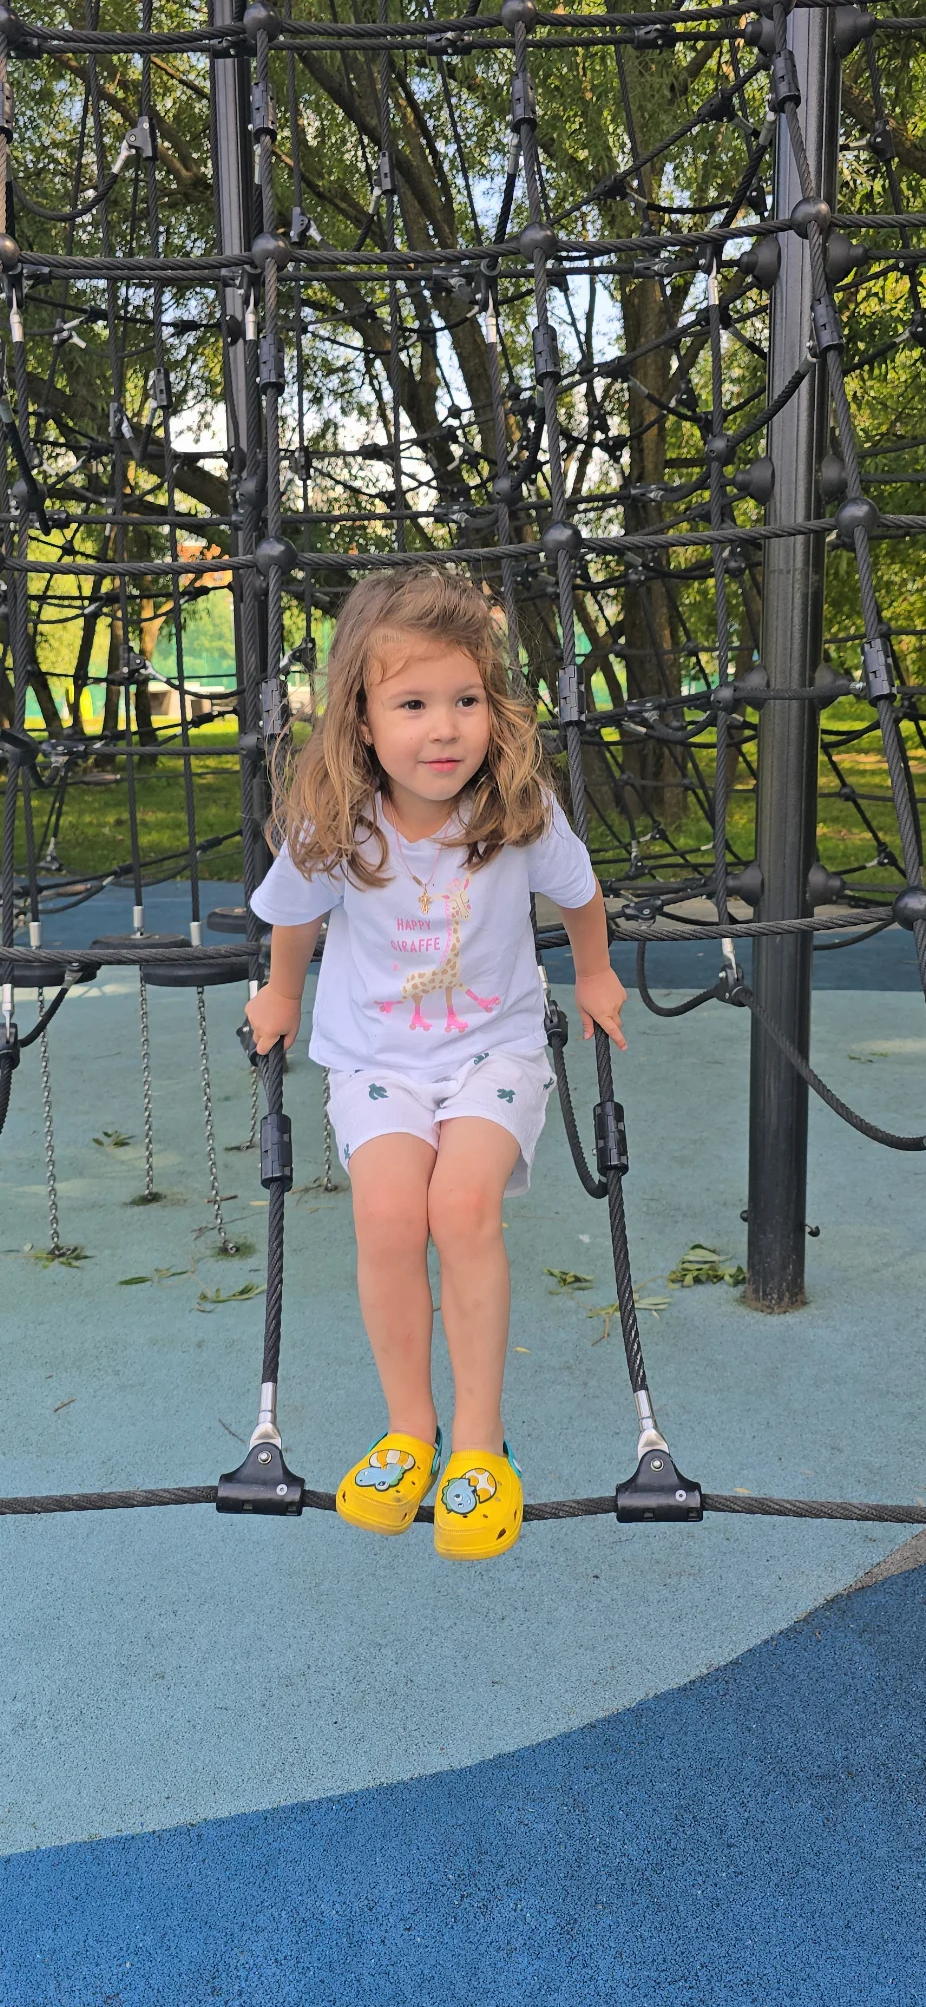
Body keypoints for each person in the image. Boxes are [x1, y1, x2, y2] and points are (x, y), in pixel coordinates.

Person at [245, 567, 627, 1561]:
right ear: (362, 720)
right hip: (377, 1058)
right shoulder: (335, 819)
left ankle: (480, 1444)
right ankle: (410, 1429)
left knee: (461, 1208)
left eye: (465, 700)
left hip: (494, 1050)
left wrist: (594, 976)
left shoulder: (517, 809)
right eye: (413, 704)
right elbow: (295, 916)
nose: (444, 728)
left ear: (494, 708)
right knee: (385, 1215)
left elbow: (580, 895)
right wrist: (282, 994)